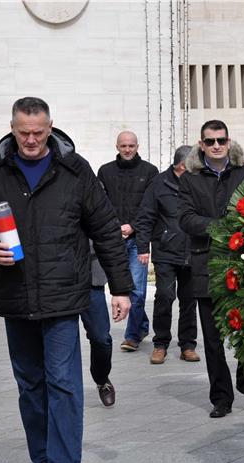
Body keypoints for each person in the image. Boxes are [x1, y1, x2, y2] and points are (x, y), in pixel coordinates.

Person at [0, 97, 132, 463]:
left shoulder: (75, 171)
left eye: (39, 132)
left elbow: (106, 229)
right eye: (24, 132)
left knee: (64, 384)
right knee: (30, 385)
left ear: (51, 127)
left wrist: (121, 287)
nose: (32, 140)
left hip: (62, 296)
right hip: (14, 294)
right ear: (12, 127)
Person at [179, 120, 244, 417]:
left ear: (229, 142)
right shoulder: (189, 178)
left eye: (221, 140)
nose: (216, 145)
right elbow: (186, 218)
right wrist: (219, 227)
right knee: (213, 339)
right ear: (201, 145)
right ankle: (221, 397)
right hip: (206, 265)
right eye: (210, 141)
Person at [135, 145, 200, 365]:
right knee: (164, 296)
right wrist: (143, 247)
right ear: (180, 165)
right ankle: (160, 343)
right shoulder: (159, 183)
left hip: (193, 250)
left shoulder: (198, 181)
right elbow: (145, 216)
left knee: (189, 300)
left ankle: (188, 345)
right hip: (165, 250)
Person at [97, 131, 159, 352]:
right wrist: (115, 226)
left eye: (131, 145)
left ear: (137, 146)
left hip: (137, 240)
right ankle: (141, 326)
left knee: (138, 291)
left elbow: (149, 206)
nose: (127, 149)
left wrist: (132, 225)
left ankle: (132, 335)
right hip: (113, 239)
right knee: (118, 288)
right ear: (117, 146)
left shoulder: (150, 172)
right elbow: (100, 203)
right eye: (123, 146)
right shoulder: (105, 171)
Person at [80, 245, 116, 407]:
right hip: (55, 276)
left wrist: (120, 289)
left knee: (101, 337)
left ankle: (102, 379)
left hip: (90, 274)